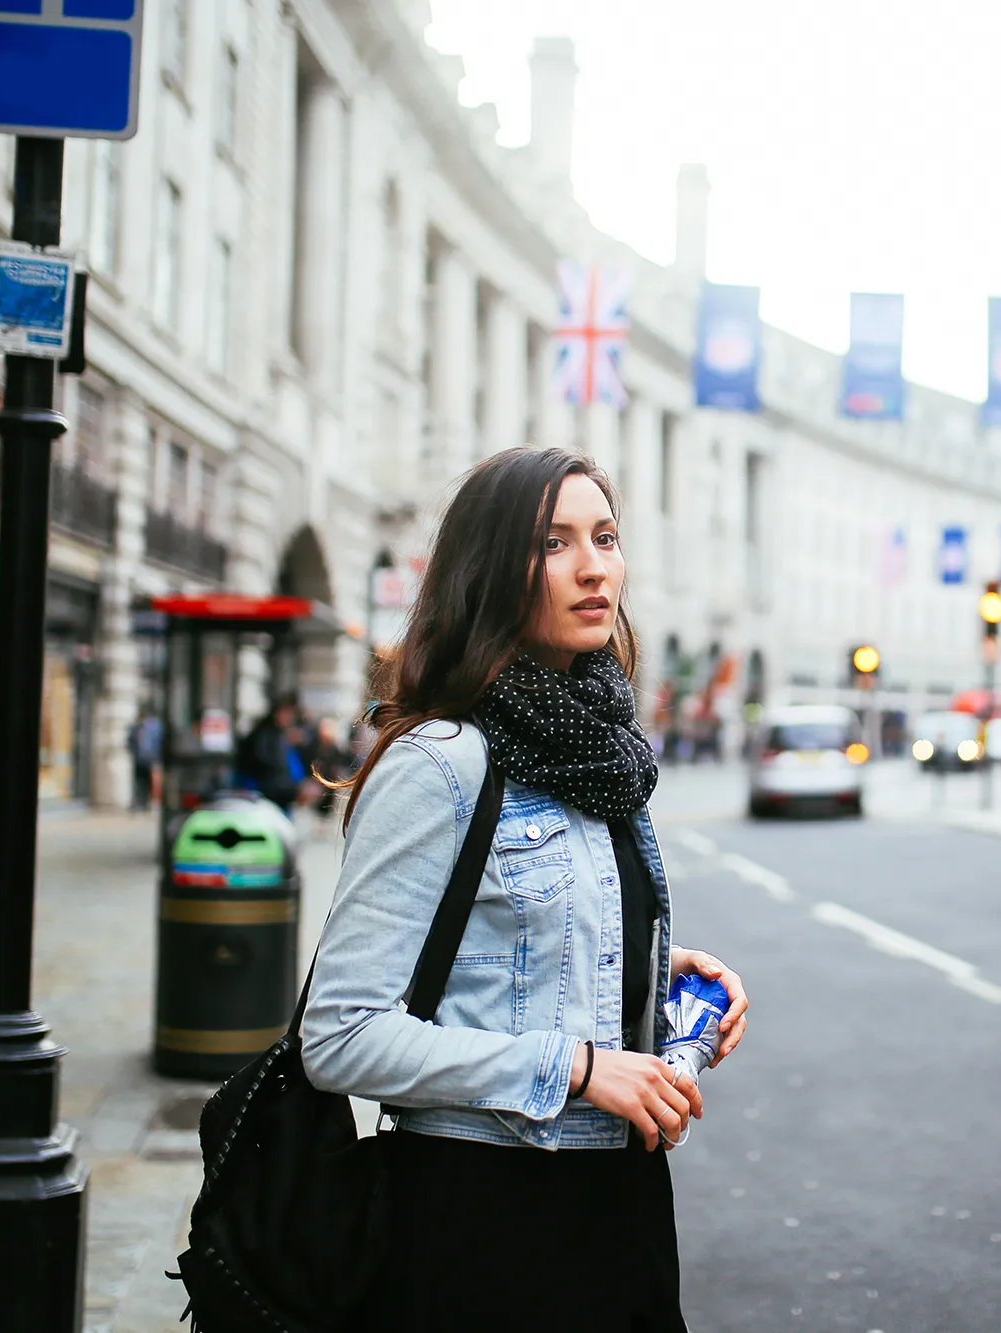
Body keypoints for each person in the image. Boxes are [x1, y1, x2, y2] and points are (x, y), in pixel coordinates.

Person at [301, 446, 749, 1331]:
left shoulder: (604, 755)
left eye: (607, 536)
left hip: (618, 1199)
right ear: (492, 572)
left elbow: (524, 953)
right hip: (485, 1215)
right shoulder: (440, 761)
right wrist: (577, 1068)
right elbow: (340, 1036)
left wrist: (659, 983)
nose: (595, 567)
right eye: (554, 543)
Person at [237, 695, 304, 810]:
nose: (290, 718)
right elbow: (265, 762)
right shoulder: (265, 734)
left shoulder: (280, 734)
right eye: (286, 713)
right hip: (266, 793)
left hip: (278, 792)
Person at [128, 707, 162, 812]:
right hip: (139, 758)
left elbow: (159, 741)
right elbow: (131, 741)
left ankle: (148, 803)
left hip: (151, 758)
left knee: (149, 781)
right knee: (139, 782)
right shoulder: (136, 727)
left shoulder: (155, 727)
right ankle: (140, 803)